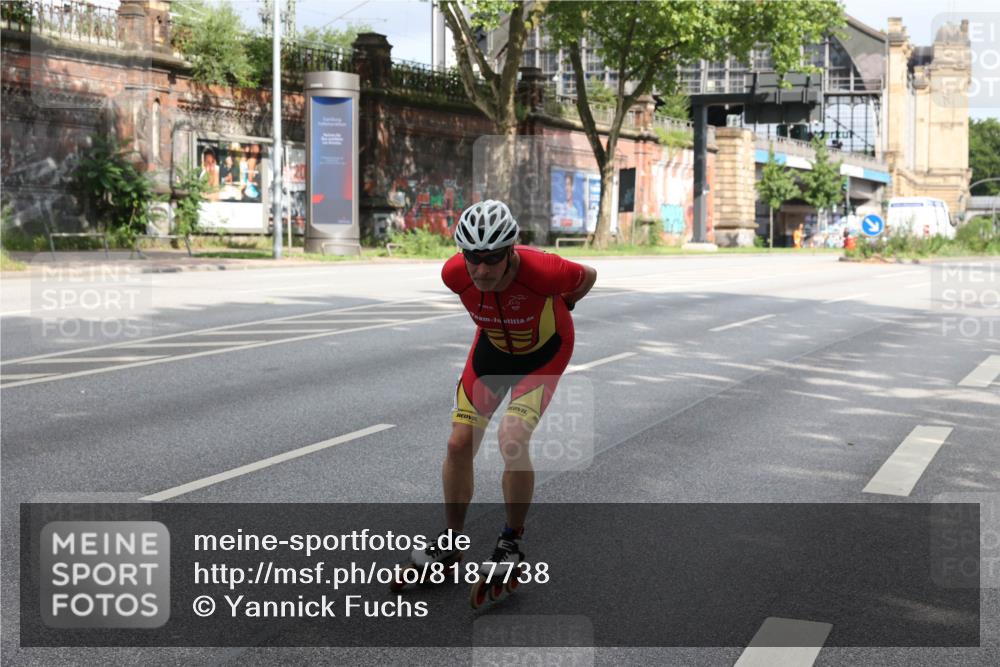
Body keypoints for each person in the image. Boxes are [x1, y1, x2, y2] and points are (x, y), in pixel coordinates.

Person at [412, 200, 597, 593]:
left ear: (511, 251)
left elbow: (588, 275)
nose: (480, 270)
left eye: (492, 259)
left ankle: (511, 540)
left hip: (544, 352)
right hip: (493, 349)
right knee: (459, 442)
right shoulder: (452, 274)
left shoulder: (543, 270)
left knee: (511, 437)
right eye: (472, 258)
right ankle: (451, 541)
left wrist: (568, 302)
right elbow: (471, 278)